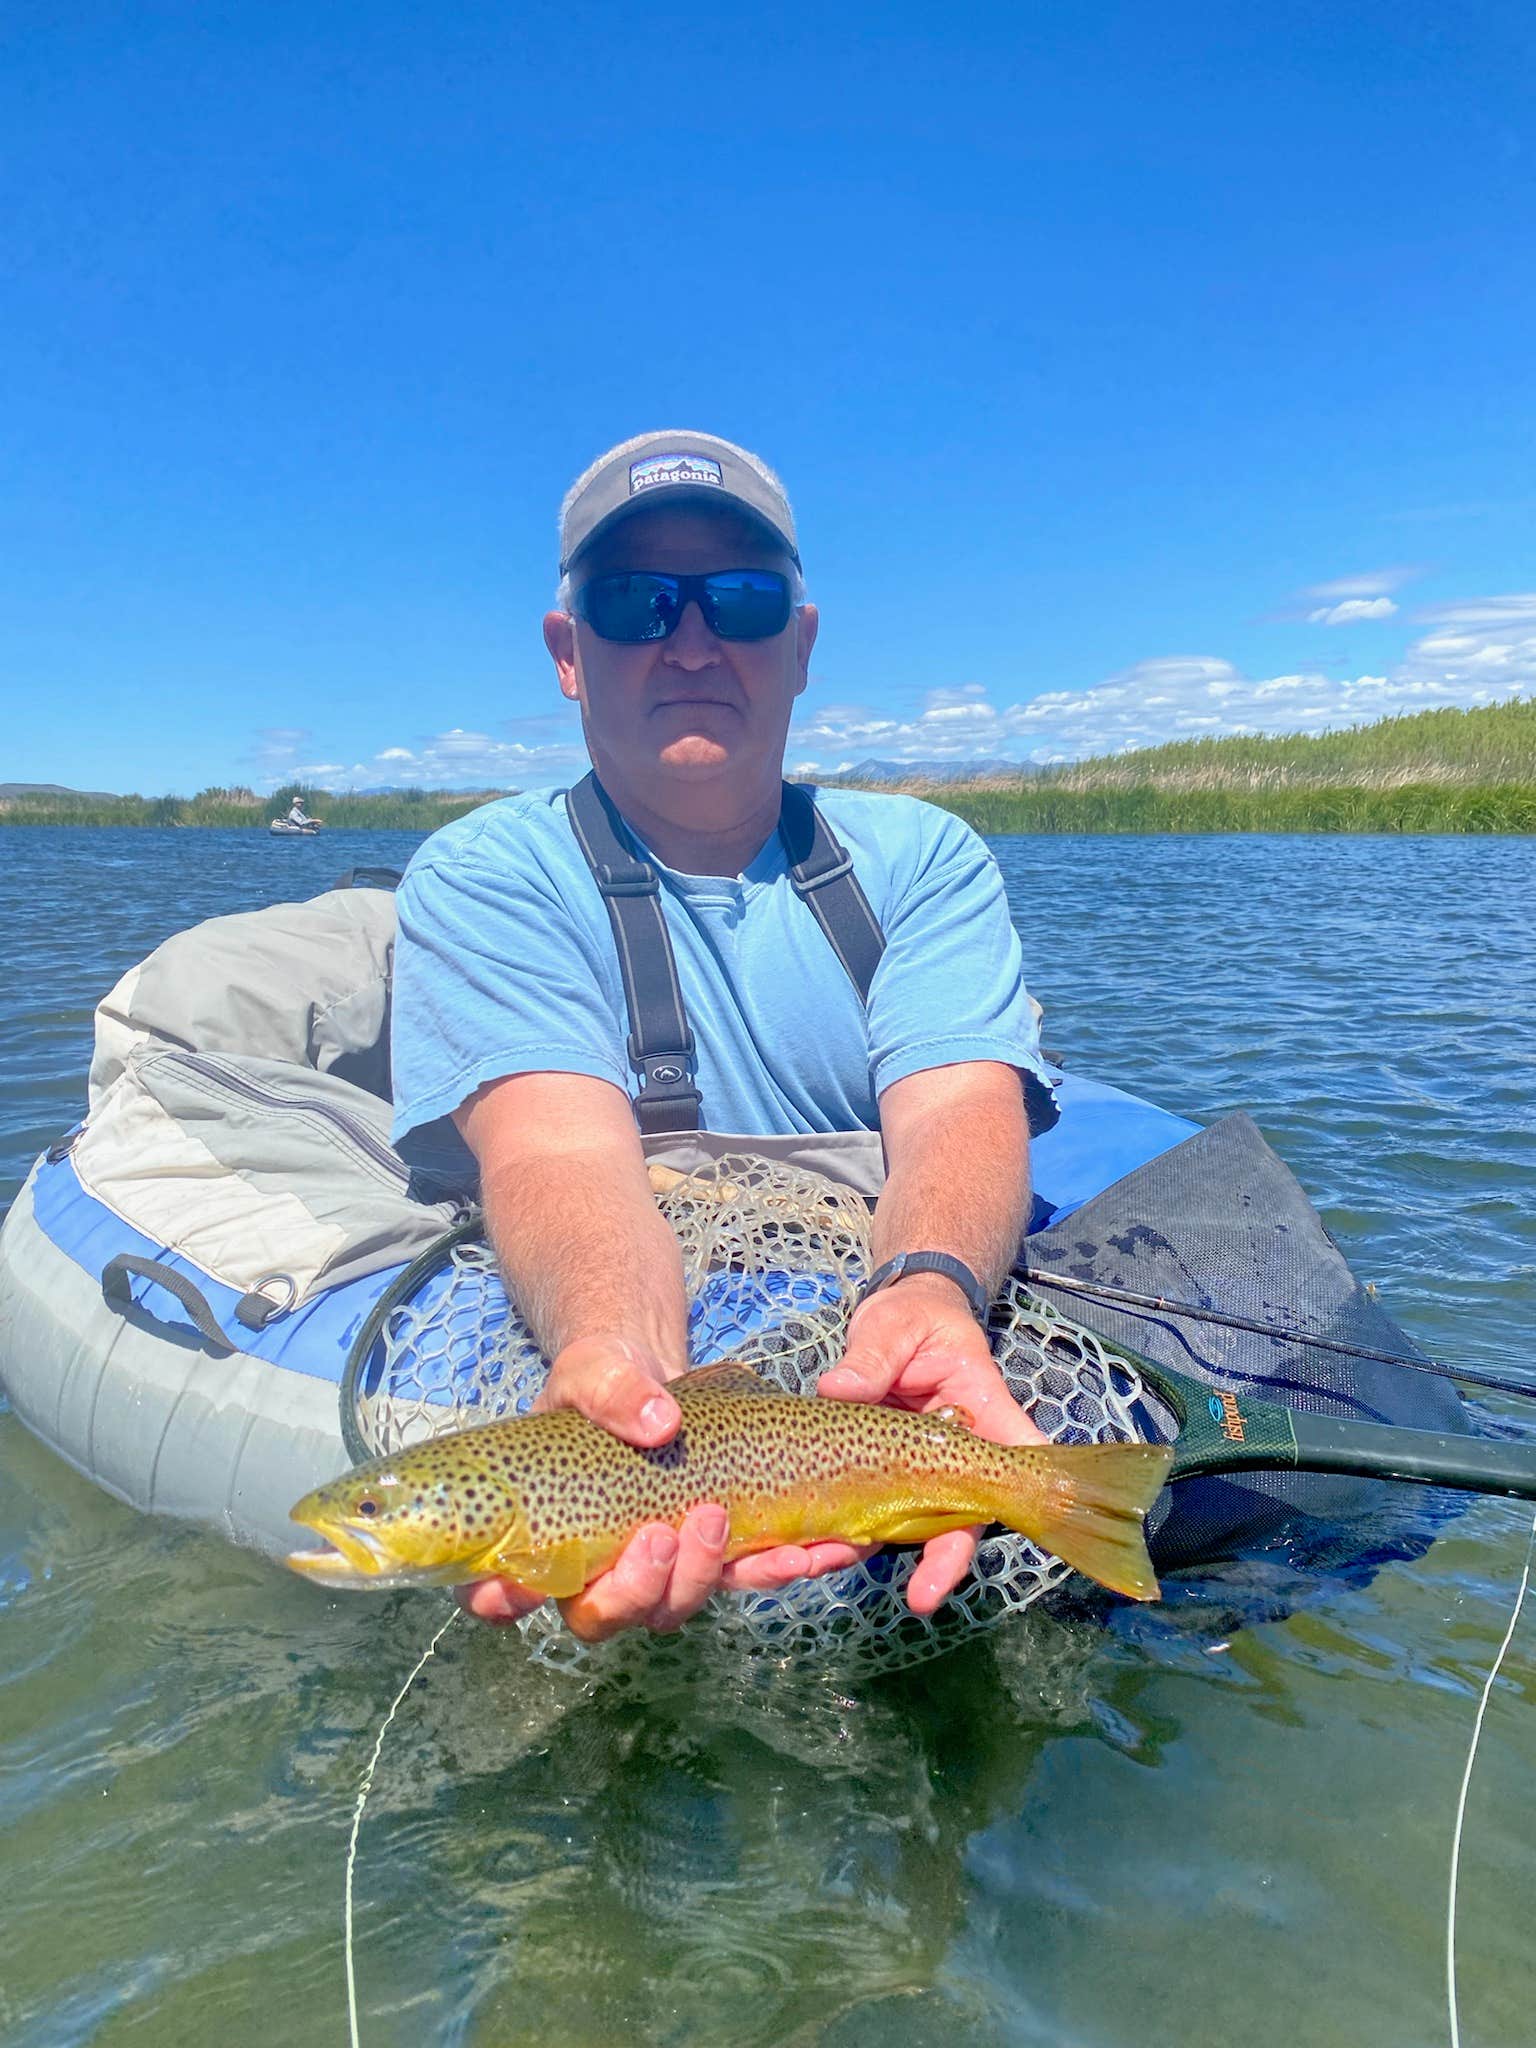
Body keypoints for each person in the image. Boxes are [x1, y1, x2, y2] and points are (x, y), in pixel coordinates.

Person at [390, 430, 1056, 1644]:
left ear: (799, 645)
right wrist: (613, 1354)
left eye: (739, 601)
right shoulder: (487, 875)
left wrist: (929, 1285)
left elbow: (960, 1108)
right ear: (569, 653)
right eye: (634, 602)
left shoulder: (925, 858)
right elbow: (558, 1158)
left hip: (867, 1375)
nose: (690, 642)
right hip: (679, 1395)